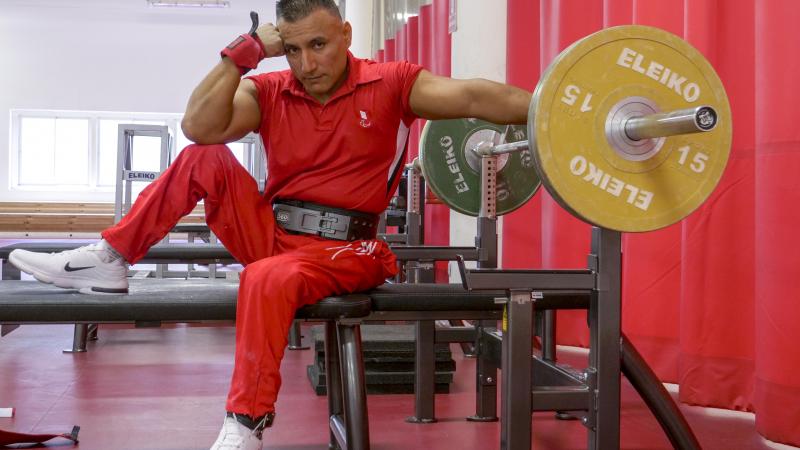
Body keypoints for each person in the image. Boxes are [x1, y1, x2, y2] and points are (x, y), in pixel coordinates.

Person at [8, 1, 531, 449]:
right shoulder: (270, 90)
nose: (308, 63)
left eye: (320, 45)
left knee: (267, 277)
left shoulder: (391, 82)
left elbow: (474, 97)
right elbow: (199, 125)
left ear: (346, 35)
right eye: (294, 49)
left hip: (348, 248)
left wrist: (551, 111)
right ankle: (111, 259)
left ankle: (245, 421)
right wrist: (244, 52)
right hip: (275, 235)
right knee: (202, 157)